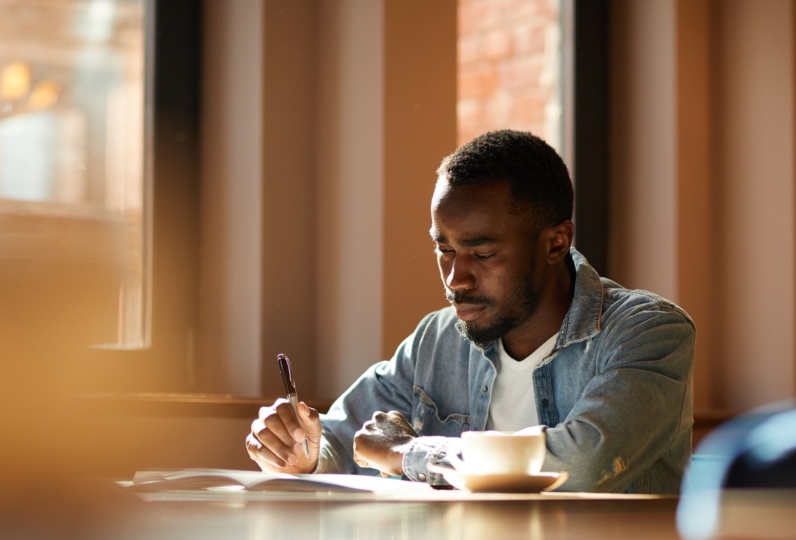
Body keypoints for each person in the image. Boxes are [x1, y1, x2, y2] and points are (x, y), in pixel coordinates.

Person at [245, 130, 695, 493]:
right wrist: (300, 453)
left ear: (556, 243)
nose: (455, 279)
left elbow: (584, 461)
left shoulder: (649, 332)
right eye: (444, 250)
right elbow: (340, 442)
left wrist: (409, 454)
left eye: (482, 254)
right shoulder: (437, 339)